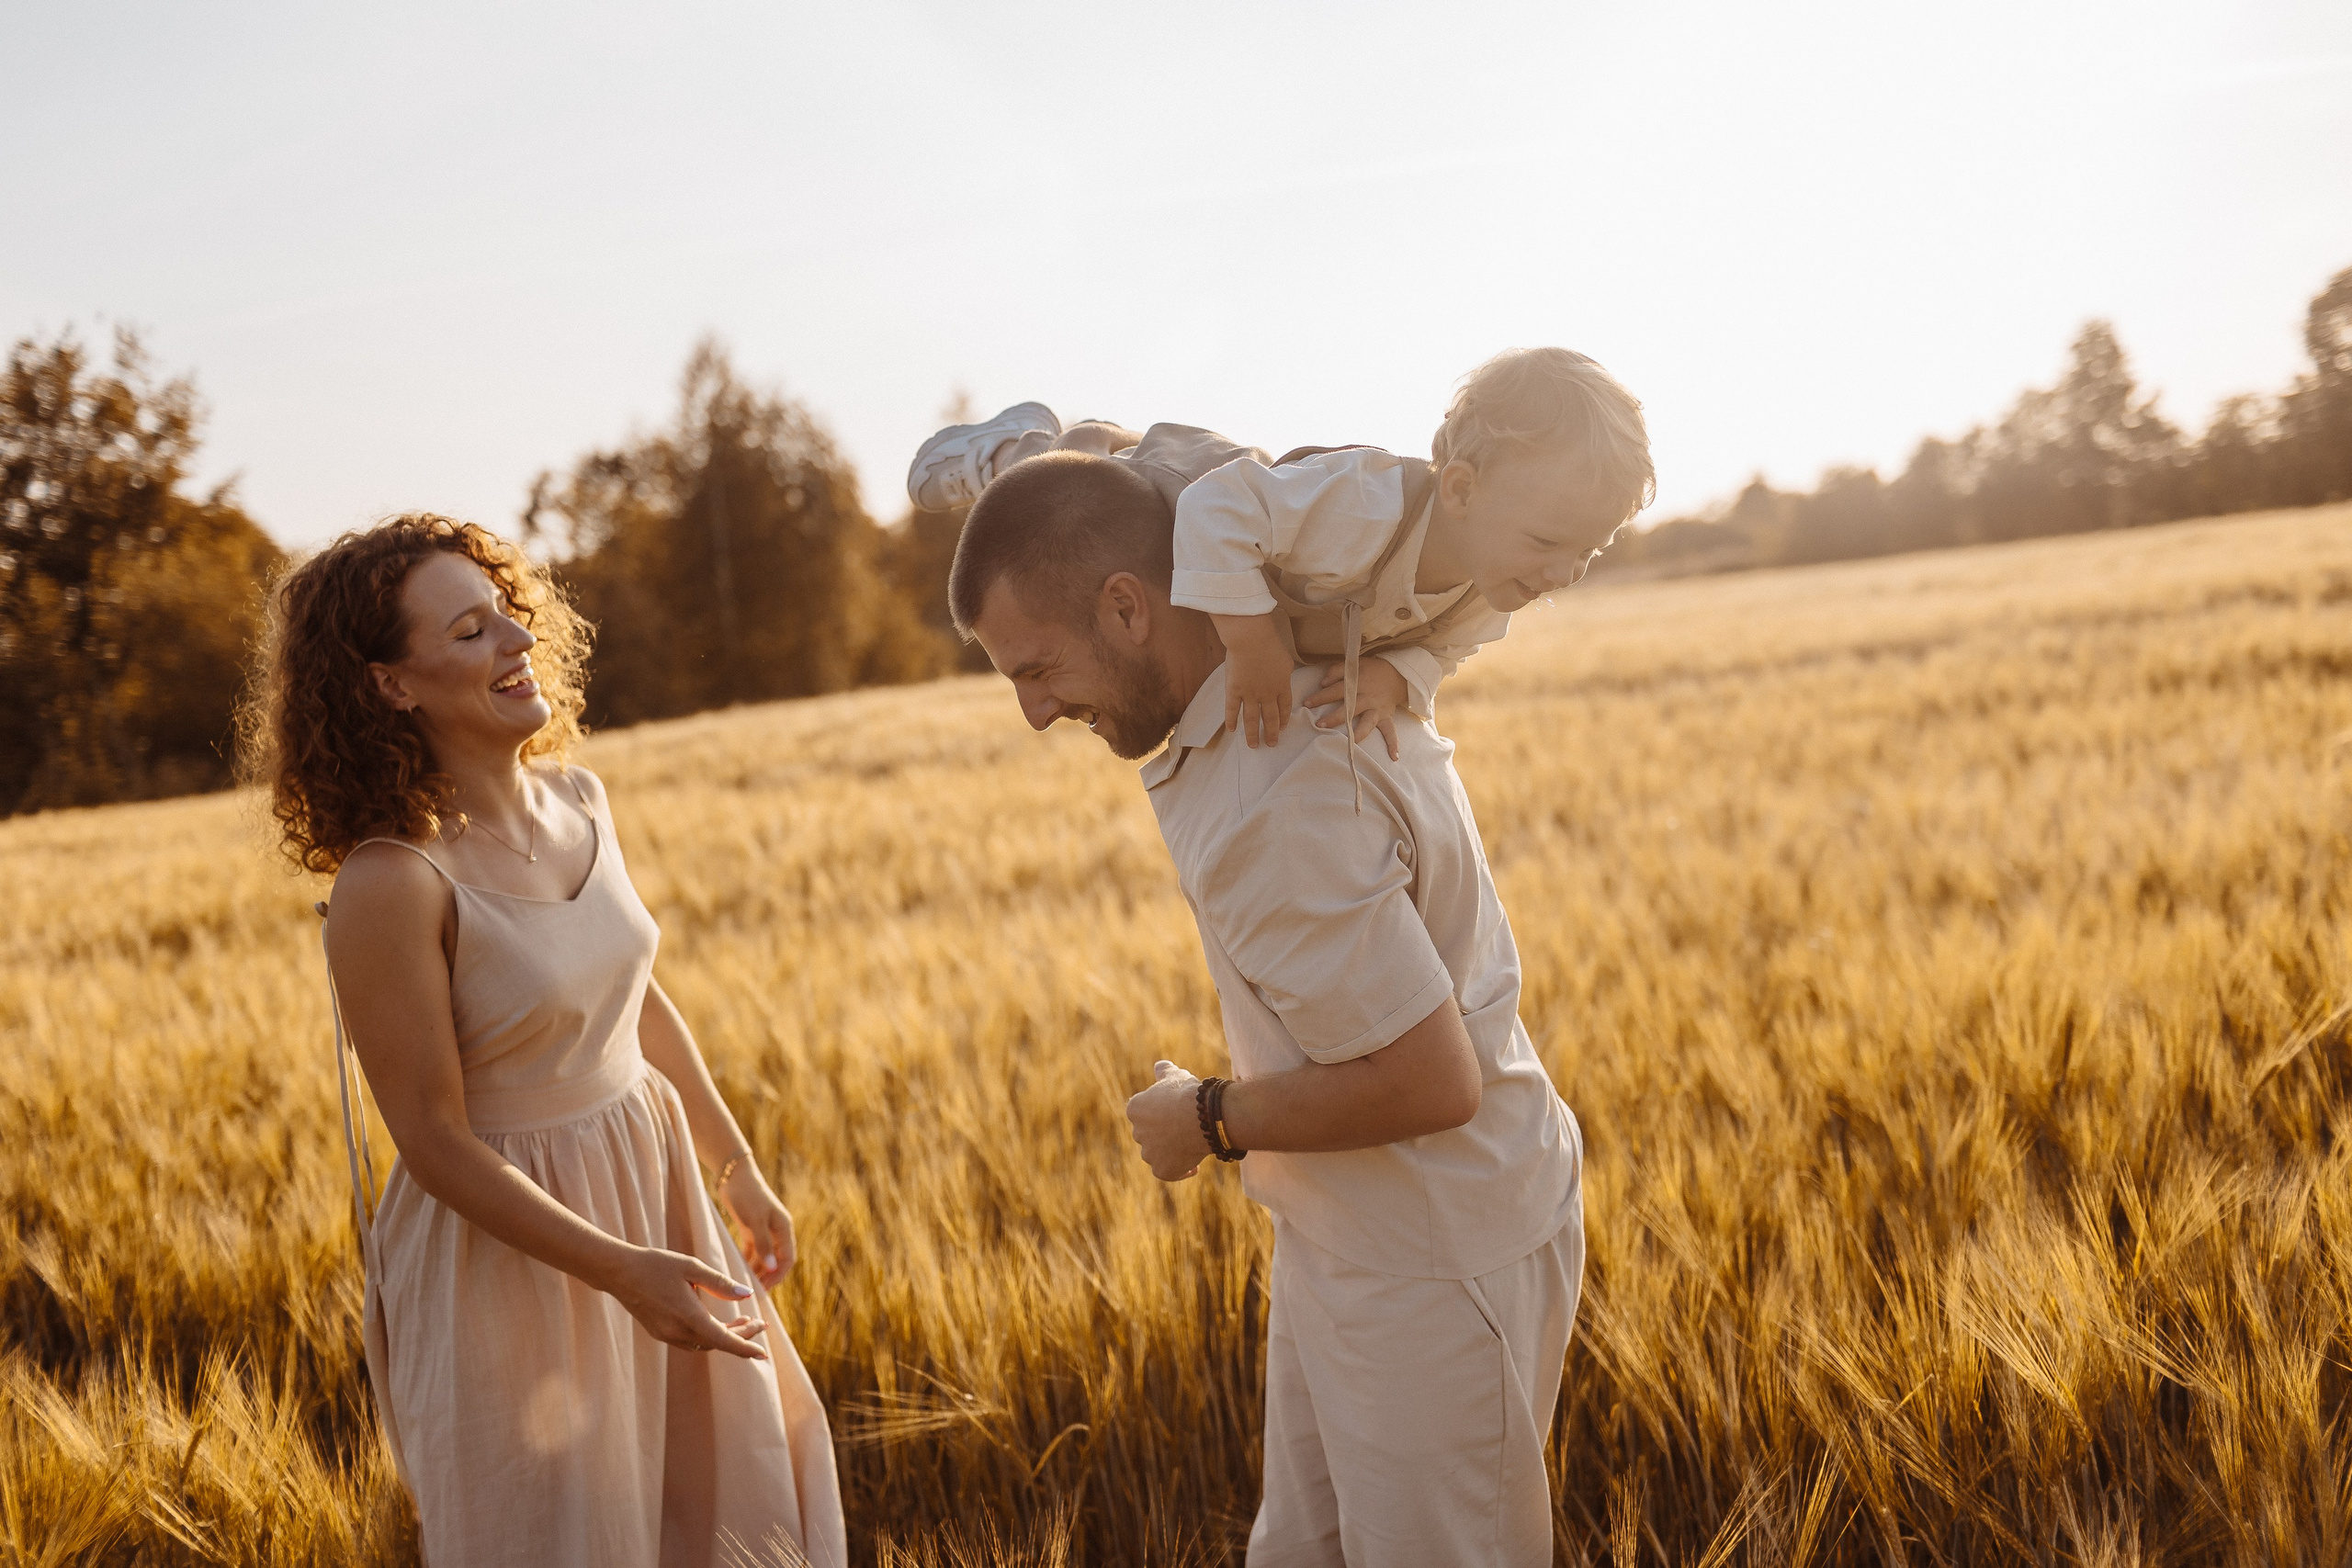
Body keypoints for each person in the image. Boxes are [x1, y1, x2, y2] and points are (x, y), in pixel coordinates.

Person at [948, 453, 1589, 1565]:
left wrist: (1206, 1118)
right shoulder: (1274, 636)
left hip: (1428, 1263)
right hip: (1352, 1223)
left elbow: (1431, 1083)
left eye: (1038, 670)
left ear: (1127, 607)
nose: (1036, 712)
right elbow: (1172, 476)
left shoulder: (1272, 804)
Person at [243, 513, 845, 1568]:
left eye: (510, 617)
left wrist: (736, 1171)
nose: (518, 644)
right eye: (470, 632)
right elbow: (433, 1142)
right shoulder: (390, 881)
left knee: (730, 1503)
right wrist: (619, 1271)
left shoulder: (580, 798)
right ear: (392, 685)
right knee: (572, 1538)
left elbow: (637, 1007)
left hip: (654, 1201)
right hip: (515, 1257)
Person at [910, 348, 1653, 759]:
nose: (1566, 573)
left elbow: (1446, 650)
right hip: (1214, 492)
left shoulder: (1495, 584)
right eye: (1550, 542)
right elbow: (1212, 509)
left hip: (1263, 545)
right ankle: (1026, 443)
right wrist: (1253, 640)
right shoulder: (1364, 508)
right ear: (1458, 490)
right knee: (1092, 499)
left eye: (1589, 550)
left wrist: (1399, 677)